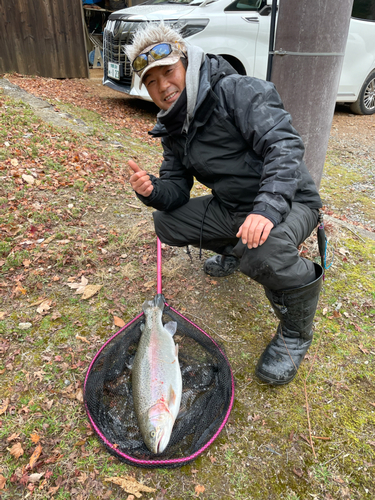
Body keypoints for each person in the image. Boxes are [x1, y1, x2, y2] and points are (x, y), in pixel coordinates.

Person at [126, 23, 324, 386]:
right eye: (151, 81)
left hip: (292, 199)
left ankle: (296, 333)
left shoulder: (237, 90)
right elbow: (176, 189)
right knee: (167, 224)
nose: (162, 86)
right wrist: (152, 190)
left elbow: (284, 146)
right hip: (233, 206)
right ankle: (238, 249)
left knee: (264, 253)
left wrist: (265, 210)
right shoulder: (173, 126)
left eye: (168, 72)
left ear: (186, 63)